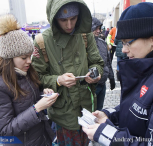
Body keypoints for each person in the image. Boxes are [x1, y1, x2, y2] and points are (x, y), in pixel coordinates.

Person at [82, 2, 153, 146]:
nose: (123, 50)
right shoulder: (149, 65)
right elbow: (139, 106)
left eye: (128, 43)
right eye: (122, 43)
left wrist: (109, 136)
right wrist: (111, 115)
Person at [31, 1, 104, 145]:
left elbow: (97, 63)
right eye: (63, 20)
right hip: (62, 115)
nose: (69, 25)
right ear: (54, 18)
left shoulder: (85, 34)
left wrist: (95, 74)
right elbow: (36, 77)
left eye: (74, 18)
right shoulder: (42, 41)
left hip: (87, 110)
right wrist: (58, 80)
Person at [0, 14, 58, 146]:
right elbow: (5, 131)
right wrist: (37, 108)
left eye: (30, 56)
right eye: (24, 57)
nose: (29, 61)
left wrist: (43, 94)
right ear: (9, 58)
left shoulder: (26, 74)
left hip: (41, 139)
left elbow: (29, 100)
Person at [92, 17, 115, 110]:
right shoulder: (84, 45)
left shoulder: (102, 43)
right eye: (96, 28)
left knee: (99, 109)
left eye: (99, 28)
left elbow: (108, 62)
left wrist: (111, 78)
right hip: (93, 86)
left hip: (102, 84)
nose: (99, 31)